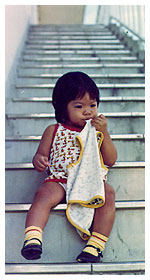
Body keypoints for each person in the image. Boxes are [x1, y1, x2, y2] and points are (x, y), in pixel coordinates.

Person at [21, 71, 117, 263]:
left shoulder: (96, 132)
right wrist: (39, 159)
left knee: (108, 193)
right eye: (79, 106)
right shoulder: (53, 130)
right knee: (43, 193)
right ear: (63, 108)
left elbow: (111, 159)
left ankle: (95, 244)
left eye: (93, 105)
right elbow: (41, 154)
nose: (88, 111)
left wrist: (104, 132)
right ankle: (33, 237)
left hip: (90, 183)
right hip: (60, 180)